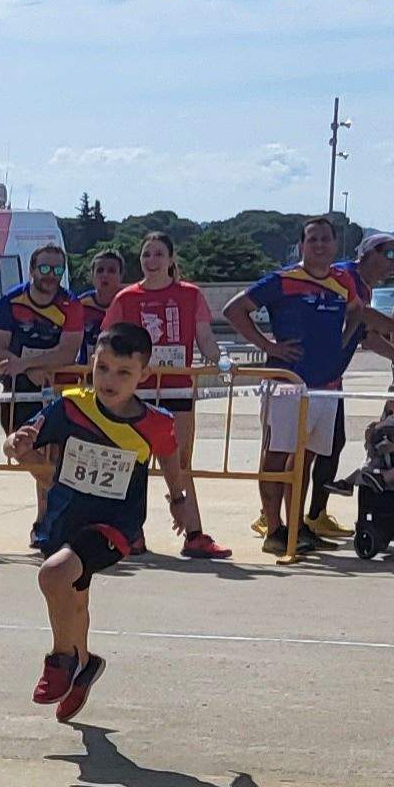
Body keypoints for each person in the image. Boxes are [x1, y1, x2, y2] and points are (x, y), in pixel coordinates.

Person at [11, 325, 188, 723]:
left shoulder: (155, 423)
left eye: (123, 372)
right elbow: (33, 454)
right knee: (74, 597)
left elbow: (173, 465)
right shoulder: (71, 407)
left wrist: (180, 504)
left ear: (144, 373)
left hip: (114, 527)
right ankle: (86, 664)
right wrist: (17, 448)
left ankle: (62, 660)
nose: (110, 380)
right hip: (64, 520)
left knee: (53, 576)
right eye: (103, 368)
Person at [223, 215, 362, 549]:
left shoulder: (343, 280)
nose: (318, 245)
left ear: (334, 244)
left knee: (306, 459)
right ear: (302, 245)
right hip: (287, 383)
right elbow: (234, 310)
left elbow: (357, 310)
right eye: (311, 239)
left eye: (325, 239)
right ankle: (274, 530)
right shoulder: (282, 280)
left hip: (326, 385)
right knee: (277, 455)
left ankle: (297, 527)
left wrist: (343, 340)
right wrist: (269, 347)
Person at [103, 231, 231, 560]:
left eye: (159, 254)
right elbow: (106, 342)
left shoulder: (190, 294)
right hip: (137, 393)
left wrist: (223, 364)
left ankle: (194, 534)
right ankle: (130, 534)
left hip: (177, 389)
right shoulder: (125, 299)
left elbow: (205, 338)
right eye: (146, 255)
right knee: (131, 463)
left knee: (181, 463)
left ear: (171, 259)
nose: (152, 261)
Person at [0, 243, 84, 472]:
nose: (51, 276)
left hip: (58, 386)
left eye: (58, 271)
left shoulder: (71, 304)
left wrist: (26, 364)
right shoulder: (9, 302)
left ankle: (48, 505)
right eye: (45, 269)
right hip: (19, 386)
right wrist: (30, 370)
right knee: (19, 446)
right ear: (32, 269)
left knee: (55, 453)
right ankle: (52, 493)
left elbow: (68, 352)